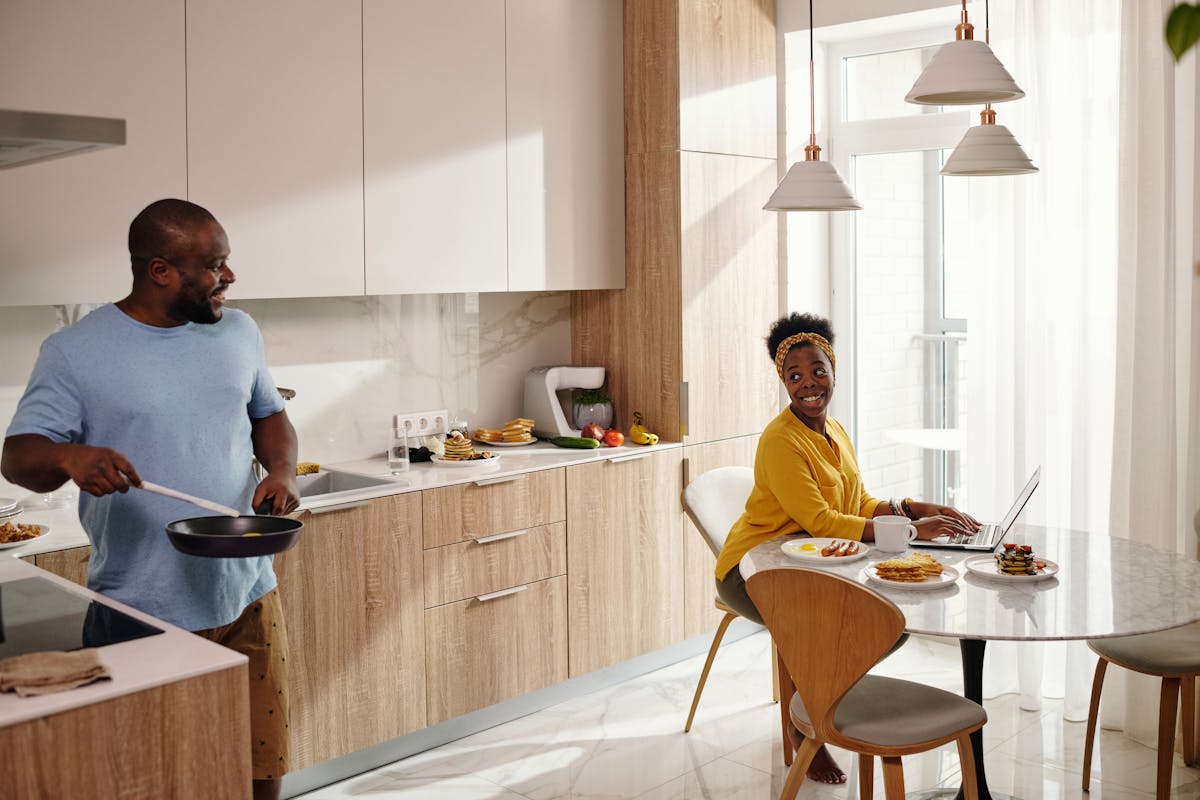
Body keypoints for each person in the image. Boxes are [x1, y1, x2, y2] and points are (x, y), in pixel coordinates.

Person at [1, 198, 299, 800]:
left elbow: (270, 415)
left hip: (247, 593)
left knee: (260, 765)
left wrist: (283, 471)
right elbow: (17, 457)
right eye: (215, 265)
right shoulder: (75, 351)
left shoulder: (239, 332)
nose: (230, 277)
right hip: (140, 608)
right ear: (160, 270)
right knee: (153, 777)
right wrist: (69, 457)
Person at [714, 311, 979, 784]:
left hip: (813, 560)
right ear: (783, 382)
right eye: (794, 376)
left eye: (818, 370)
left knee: (889, 624)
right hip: (755, 569)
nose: (808, 384)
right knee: (827, 627)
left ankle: (817, 703)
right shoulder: (780, 441)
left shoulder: (834, 431)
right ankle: (809, 727)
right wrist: (914, 532)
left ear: (834, 370)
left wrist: (913, 507)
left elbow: (858, 503)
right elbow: (822, 521)